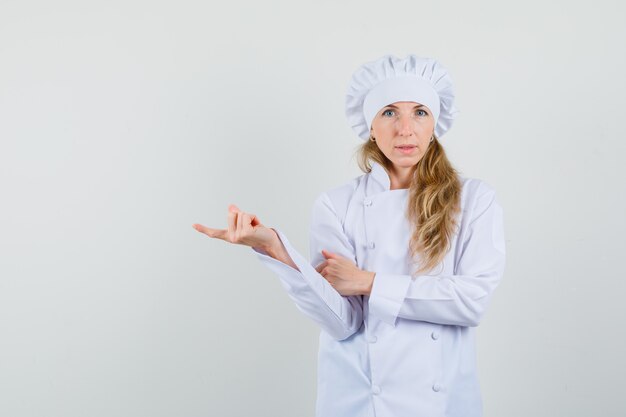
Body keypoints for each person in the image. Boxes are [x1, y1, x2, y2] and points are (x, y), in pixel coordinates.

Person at [192, 54, 506, 417]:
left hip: (443, 402)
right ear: (370, 126)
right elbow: (343, 323)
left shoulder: (473, 200)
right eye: (389, 112)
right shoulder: (336, 204)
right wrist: (276, 249)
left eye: (420, 112)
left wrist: (368, 282)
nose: (406, 129)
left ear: (435, 123)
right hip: (359, 400)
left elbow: (471, 301)